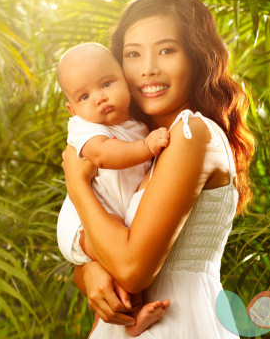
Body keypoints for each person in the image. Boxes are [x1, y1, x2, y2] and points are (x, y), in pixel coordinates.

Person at [61, 0, 256, 338]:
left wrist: (77, 185)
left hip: (180, 325)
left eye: (167, 50)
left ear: (197, 57)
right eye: (133, 54)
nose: (148, 69)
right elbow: (110, 249)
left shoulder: (191, 132)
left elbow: (132, 268)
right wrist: (88, 272)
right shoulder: (134, 143)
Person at [56, 43, 171, 337]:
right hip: (81, 226)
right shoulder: (84, 129)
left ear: (126, 82)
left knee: (114, 266)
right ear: (73, 109)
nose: (100, 97)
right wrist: (146, 148)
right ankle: (133, 318)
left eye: (107, 83)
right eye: (84, 96)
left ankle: (130, 320)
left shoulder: (135, 125)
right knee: (117, 244)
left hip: (109, 217)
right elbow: (106, 155)